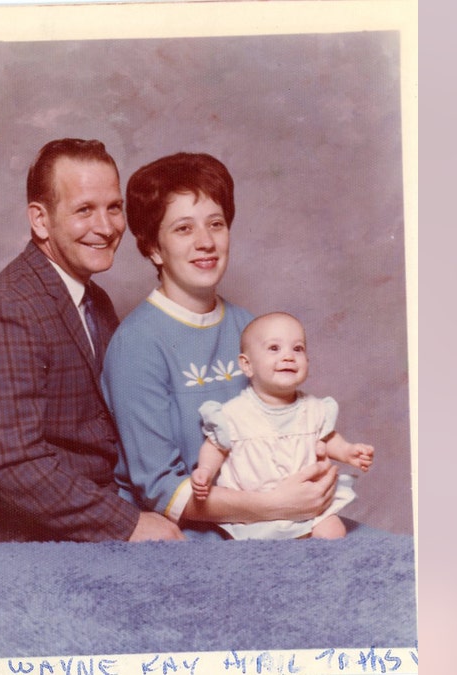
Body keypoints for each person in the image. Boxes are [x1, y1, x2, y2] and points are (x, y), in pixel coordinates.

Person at [101, 152, 339, 540]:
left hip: (270, 519)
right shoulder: (136, 344)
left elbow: (288, 420)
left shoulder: (248, 325)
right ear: (153, 249)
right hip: (182, 533)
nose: (206, 242)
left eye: (216, 224)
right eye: (183, 229)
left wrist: (317, 472)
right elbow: (159, 488)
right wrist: (275, 506)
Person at [0, 138, 184, 543]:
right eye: (84, 210)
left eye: (113, 207)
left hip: (107, 506)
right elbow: (14, 463)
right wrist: (128, 524)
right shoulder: (9, 308)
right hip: (38, 541)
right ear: (40, 220)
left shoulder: (95, 300)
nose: (106, 228)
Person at [191, 312, 375, 539]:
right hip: (255, 510)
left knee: (332, 531)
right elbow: (215, 446)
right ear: (247, 365)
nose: (288, 356)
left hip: (309, 506)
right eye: (274, 348)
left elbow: (326, 439)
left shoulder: (315, 408)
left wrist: (347, 451)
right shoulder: (233, 413)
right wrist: (205, 471)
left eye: (297, 349)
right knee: (257, 548)